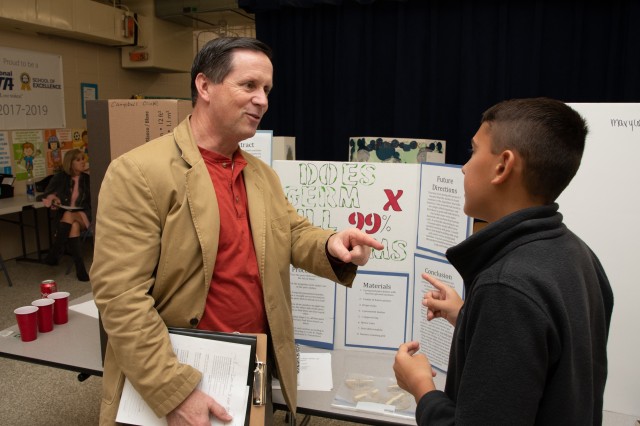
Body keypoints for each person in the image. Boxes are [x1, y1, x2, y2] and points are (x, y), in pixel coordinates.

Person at [90, 37, 384, 426]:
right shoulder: (139, 172)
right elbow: (120, 296)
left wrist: (332, 244)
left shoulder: (260, 174)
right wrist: (174, 392)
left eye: (266, 89)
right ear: (204, 86)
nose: (262, 100)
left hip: (248, 364)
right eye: (248, 85)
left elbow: (289, 231)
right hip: (180, 367)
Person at [393, 98, 614, 425]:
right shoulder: (580, 254)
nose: (465, 166)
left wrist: (421, 386)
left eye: (473, 150)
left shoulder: (506, 287)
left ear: (503, 165)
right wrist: (468, 318)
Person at [42, 149, 91, 281]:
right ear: (70, 163)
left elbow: (94, 200)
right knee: (73, 226)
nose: (83, 162)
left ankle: (55, 253)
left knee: (69, 216)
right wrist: (54, 199)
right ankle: (80, 269)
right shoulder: (60, 177)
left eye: (83, 159)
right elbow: (47, 194)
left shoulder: (87, 179)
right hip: (66, 217)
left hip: (84, 214)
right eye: (78, 160)